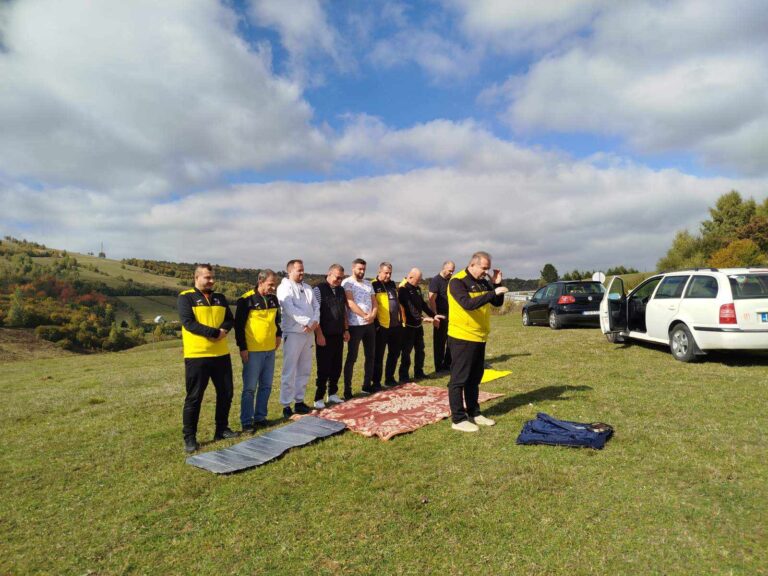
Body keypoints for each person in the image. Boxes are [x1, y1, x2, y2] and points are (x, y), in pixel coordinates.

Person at [178, 264, 239, 453]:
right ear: (196, 277)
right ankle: (190, 438)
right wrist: (214, 333)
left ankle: (221, 429)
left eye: (212, 277)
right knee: (195, 398)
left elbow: (230, 319)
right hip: (197, 356)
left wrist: (224, 330)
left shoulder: (219, 298)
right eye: (207, 277)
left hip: (221, 355)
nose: (211, 281)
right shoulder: (185, 297)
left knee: (226, 393)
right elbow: (188, 323)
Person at [447, 251, 508, 432]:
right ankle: (458, 419)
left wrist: (497, 284)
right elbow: (468, 304)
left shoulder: (483, 281)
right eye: (483, 268)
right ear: (472, 264)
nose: (485, 272)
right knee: (459, 379)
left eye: (488, 269)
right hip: (462, 336)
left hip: (480, 336)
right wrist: (493, 292)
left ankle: (474, 412)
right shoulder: (457, 282)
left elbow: (497, 302)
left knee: (475, 378)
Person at [235, 269, 281, 433]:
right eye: (270, 284)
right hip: (253, 351)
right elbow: (238, 327)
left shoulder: (273, 299)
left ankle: (260, 418)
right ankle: (247, 422)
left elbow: (277, 320)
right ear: (260, 281)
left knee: (266, 386)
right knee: (249, 388)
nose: (273, 288)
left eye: (274, 284)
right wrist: (243, 348)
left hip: (270, 350)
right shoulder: (245, 300)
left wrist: (278, 335)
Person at [277, 259, 319, 418]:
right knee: (290, 370)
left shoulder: (308, 288)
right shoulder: (284, 288)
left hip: (308, 333)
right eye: (298, 270)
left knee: (305, 368)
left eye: (303, 270)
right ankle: (286, 405)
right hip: (293, 333)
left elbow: (316, 307)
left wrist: (314, 323)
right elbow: (289, 309)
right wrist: (307, 322)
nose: (302, 273)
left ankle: (299, 401)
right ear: (290, 271)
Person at [312, 264, 350, 409]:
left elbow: (344, 311)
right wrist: (319, 334)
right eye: (337, 277)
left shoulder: (341, 290)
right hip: (324, 335)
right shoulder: (318, 289)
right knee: (324, 368)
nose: (339, 280)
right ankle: (318, 397)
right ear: (329, 273)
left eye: (341, 278)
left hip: (338, 334)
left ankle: (332, 393)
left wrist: (346, 329)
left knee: (336, 366)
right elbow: (315, 313)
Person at [398, 268, 443, 383]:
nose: (418, 282)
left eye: (420, 280)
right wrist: (422, 318)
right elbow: (410, 308)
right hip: (408, 326)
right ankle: (404, 376)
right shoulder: (403, 290)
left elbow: (423, 305)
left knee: (420, 350)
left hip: (418, 327)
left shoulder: (417, 289)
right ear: (410, 277)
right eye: (417, 280)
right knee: (406, 352)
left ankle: (419, 372)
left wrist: (434, 316)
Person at [342, 258, 378, 398]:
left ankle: (366, 385)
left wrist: (373, 315)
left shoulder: (369, 284)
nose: (362, 271)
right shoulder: (347, 283)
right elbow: (350, 303)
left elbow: (374, 302)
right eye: (359, 269)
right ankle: (347, 390)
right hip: (354, 325)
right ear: (353, 268)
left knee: (371, 356)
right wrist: (364, 315)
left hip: (369, 325)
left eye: (363, 269)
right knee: (352, 357)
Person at [371, 262, 403, 387]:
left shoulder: (392, 284)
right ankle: (376, 382)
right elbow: (372, 306)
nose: (388, 275)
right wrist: (376, 324)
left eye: (390, 273)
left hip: (395, 326)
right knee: (378, 356)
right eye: (386, 273)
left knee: (394, 354)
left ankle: (389, 378)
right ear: (379, 272)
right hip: (382, 326)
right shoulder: (373, 284)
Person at [428, 260, 455, 373]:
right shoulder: (436, 281)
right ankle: (439, 367)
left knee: (451, 341)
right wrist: (435, 315)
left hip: (451, 315)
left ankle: (447, 363)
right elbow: (431, 299)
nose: (451, 273)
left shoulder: (450, 281)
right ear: (444, 268)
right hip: (440, 315)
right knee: (439, 342)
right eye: (449, 271)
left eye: (453, 271)